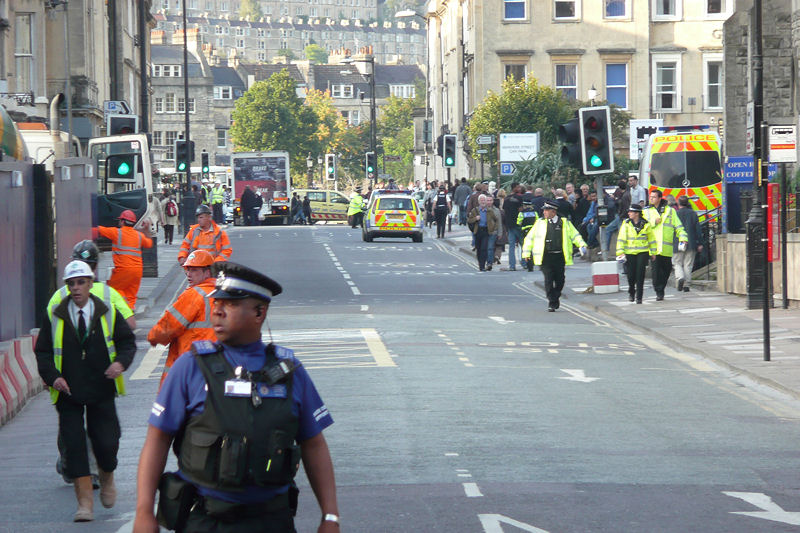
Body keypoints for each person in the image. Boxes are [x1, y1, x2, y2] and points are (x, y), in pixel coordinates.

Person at [133, 262, 339, 533]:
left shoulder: (290, 372)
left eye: (229, 304)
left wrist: (330, 516)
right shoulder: (190, 367)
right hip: (205, 521)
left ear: (259, 312)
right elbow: (157, 439)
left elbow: (314, 445)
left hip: (271, 521)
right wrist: (144, 511)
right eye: (216, 302)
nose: (216, 310)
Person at [36, 260, 136, 522]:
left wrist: (120, 363)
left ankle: (107, 476)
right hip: (68, 391)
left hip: (101, 387)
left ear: (91, 284)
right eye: (71, 284)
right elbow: (44, 352)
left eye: (81, 282)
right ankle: (85, 504)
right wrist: (53, 377)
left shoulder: (107, 312)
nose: (76, 288)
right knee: (74, 446)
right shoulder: (56, 314)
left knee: (107, 442)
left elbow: (127, 342)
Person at [49, 240, 136, 487]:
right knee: (102, 427)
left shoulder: (58, 296)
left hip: (68, 374)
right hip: (102, 374)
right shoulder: (109, 294)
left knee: (73, 423)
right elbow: (130, 326)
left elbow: (47, 335)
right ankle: (92, 469)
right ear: (96, 268)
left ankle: (72, 462)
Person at [147, 250, 216, 386]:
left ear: (207, 271)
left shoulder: (194, 294)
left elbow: (169, 325)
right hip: (216, 363)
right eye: (187, 270)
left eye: (194, 270)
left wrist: (153, 337)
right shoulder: (221, 293)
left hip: (190, 362)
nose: (189, 274)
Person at [521, 200, 587, 312]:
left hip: (559, 256)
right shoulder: (539, 223)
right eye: (544, 210)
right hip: (545, 256)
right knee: (548, 279)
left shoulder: (564, 223)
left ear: (553, 212)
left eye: (546, 211)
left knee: (560, 279)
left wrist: (581, 245)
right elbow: (529, 239)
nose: (544, 213)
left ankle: (555, 295)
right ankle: (552, 302)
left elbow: (575, 235)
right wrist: (526, 253)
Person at [98, 209, 153, 311]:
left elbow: (98, 229)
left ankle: (121, 309)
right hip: (137, 271)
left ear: (122, 221)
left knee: (114, 288)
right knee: (131, 295)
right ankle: (130, 311)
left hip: (123, 270)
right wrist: (146, 229)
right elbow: (149, 243)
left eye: (120, 220)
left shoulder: (116, 233)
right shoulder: (139, 236)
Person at [643, 189, 688, 301]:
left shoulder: (670, 211)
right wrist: (654, 222)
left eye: (654, 197)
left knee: (667, 270)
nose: (651, 199)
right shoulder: (646, 211)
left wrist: (683, 238)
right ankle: (659, 291)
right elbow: (642, 227)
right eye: (650, 196)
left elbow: (678, 227)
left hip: (666, 248)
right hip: (653, 248)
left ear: (659, 198)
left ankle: (661, 288)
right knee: (656, 272)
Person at [616, 205, 656, 304]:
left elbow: (651, 239)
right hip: (629, 253)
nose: (629, 213)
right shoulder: (626, 224)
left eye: (631, 212)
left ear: (637, 213)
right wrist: (620, 252)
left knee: (640, 275)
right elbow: (621, 239)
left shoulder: (646, 224)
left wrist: (653, 252)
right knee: (631, 276)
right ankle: (631, 292)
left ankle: (639, 297)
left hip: (643, 252)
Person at [673, 195, 703, 292]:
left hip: (678, 242)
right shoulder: (693, 214)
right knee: (688, 264)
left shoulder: (675, 214)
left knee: (677, 262)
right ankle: (687, 284)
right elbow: (698, 229)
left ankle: (680, 277)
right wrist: (700, 243)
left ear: (678, 203)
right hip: (691, 242)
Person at [468, 194, 499, 271]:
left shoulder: (489, 211)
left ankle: (482, 266)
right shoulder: (474, 211)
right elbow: (469, 220)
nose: (483, 202)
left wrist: (493, 229)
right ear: (479, 201)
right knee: (478, 249)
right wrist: (475, 218)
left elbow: (496, 220)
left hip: (486, 231)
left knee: (484, 249)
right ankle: (480, 264)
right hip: (478, 231)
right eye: (481, 200)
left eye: (484, 200)